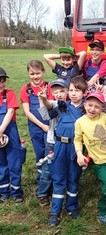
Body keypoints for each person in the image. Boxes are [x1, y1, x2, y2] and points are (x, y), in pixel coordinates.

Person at [74, 90, 106, 228]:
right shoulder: (80, 122)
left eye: (97, 107)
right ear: (84, 105)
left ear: (102, 108)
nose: (92, 109)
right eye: (90, 105)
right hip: (98, 162)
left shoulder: (103, 117)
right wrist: (79, 154)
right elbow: (77, 139)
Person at [47, 76, 88, 227]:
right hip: (59, 146)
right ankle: (55, 212)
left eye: (77, 91)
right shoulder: (62, 106)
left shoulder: (86, 109)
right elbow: (47, 112)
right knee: (59, 178)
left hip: (75, 148)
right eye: (71, 90)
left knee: (73, 177)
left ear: (84, 93)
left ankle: (72, 206)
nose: (73, 93)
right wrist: (43, 99)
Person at [20, 60, 53, 206]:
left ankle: (50, 184)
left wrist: (47, 126)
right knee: (40, 156)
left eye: (38, 73)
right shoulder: (25, 90)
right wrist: (41, 126)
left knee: (50, 155)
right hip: (35, 127)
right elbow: (27, 112)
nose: (35, 77)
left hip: (50, 127)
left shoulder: (50, 87)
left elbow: (51, 108)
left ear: (43, 72)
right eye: (32, 73)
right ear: (28, 73)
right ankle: (42, 186)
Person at [37, 78, 69, 206]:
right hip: (53, 142)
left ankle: (61, 190)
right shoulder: (54, 104)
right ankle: (42, 193)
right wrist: (42, 98)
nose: (59, 94)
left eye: (62, 91)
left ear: (67, 91)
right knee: (48, 169)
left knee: (64, 167)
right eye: (55, 92)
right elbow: (46, 114)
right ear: (52, 94)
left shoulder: (71, 105)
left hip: (66, 143)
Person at [0, 67, 26, 203]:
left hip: (10, 131)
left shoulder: (9, 94)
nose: (1, 84)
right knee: (1, 162)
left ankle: (16, 191)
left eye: (3, 81)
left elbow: (10, 112)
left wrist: (1, 130)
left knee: (14, 162)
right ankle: (4, 191)